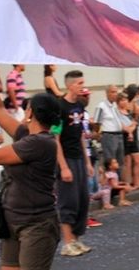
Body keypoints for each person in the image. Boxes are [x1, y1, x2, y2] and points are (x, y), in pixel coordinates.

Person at [0, 65, 61, 269]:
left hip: (36, 225)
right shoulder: (26, 133)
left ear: (30, 112)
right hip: (12, 218)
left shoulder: (41, 142)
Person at [56, 70, 94, 256]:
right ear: (70, 85)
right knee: (68, 200)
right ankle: (67, 242)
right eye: (80, 83)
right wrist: (63, 166)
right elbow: (55, 138)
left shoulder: (79, 106)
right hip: (67, 158)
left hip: (79, 157)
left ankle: (77, 239)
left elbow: (80, 134)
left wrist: (87, 162)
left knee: (82, 199)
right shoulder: (59, 107)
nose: (82, 86)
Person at [94, 85, 125, 177]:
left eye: (116, 92)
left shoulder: (115, 105)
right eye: (112, 92)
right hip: (109, 135)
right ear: (107, 93)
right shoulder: (101, 106)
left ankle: (118, 182)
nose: (115, 94)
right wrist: (98, 133)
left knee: (119, 161)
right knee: (110, 161)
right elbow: (96, 122)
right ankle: (110, 184)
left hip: (119, 135)